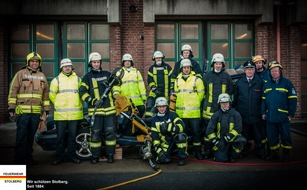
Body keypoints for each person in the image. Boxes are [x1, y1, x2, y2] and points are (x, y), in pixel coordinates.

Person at [8, 52, 51, 165]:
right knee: (21, 136)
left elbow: (46, 95)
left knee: (30, 137)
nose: (34, 63)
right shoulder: (20, 74)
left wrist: (46, 110)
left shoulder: (42, 76)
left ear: (39, 63)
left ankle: (28, 158)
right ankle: (19, 159)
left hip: (36, 113)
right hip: (22, 113)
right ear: (28, 62)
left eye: (36, 61)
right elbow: (13, 90)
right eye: (32, 61)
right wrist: (11, 108)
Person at [79, 52, 118, 164]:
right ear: (91, 64)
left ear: (101, 63)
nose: (96, 64)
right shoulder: (87, 77)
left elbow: (115, 86)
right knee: (95, 133)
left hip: (109, 110)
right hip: (95, 112)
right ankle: (95, 156)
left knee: (110, 133)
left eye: (98, 62)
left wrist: (116, 94)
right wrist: (92, 101)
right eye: (94, 62)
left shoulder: (107, 74)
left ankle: (110, 155)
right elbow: (82, 92)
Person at [49, 58, 84, 165]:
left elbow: (82, 95)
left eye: (69, 66)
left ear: (72, 67)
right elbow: (51, 95)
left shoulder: (78, 80)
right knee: (60, 138)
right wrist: (59, 104)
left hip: (75, 115)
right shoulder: (56, 80)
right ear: (61, 68)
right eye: (65, 66)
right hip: (61, 115)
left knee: (72, 138)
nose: (67, 68)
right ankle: (58, 157)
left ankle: (72, 157)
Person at [261, 61, 297, 162]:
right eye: (272, 71)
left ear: (280, 71)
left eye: (276, 71)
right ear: (270, 72)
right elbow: (263, 100)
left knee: (285, 136)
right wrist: (263, 112)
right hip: (270, 116)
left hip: (283, 116)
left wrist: (291, 114)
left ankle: (286, 154)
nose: (274, 73)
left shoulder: (287, 83)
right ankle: (274, 154)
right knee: (271, 136)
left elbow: (293, 99)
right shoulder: (267, 85)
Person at [202, 53, 233, 159]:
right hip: (209, 110)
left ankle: (220, 149)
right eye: (216, 63)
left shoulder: (227, 77)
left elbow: (230, 91)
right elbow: (203, 93)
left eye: (220, 64)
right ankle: (207, 151)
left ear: (222, 65)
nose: (218, 65)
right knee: (208, 132)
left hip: (222, 110)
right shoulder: (207, 76)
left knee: (220, 131)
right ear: (213, 64)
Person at [233, 60, 266, 159]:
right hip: (243, 115)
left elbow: (263, 99)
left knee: (258, 135)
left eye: (251, 69)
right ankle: (244, 151)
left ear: (254, 70)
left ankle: (260, 150)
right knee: (244, 135)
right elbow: (236, 98)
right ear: (245, 70)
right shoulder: (239, 83)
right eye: (247, 69)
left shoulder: (260, 82)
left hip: (256, 114)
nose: (249, 71)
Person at [173, 58, 204, 160]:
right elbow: (175, 96)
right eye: (184, 68)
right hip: (181, 114)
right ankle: (183, 154)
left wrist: (194, 104)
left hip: (193, 113)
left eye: (188, 67)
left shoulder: (197, 80)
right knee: (183, 135)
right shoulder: (177, 80)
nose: (186, 69)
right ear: (181, 69)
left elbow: (201, 95)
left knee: (196, 135)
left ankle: (197, 152)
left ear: (190, 68)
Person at [205, 93, 246, 163]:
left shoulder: (236, 114)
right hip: (220, 141)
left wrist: (227, 138)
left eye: (226, 102)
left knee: (240, 140)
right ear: (219, 103)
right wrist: (216, 142)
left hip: (232, 139)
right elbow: (209, 130)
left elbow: (238, 128)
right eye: (223, 103)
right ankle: (221, 154)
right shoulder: (216, 115)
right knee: (220, 159)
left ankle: (233, 156)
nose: (225, 105)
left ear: (230, 103)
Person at [151, 97, 188, 166]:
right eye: (159, 107)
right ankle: (169, 154)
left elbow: (182, 126)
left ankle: (182, 158)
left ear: (166, 106)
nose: (161, 108)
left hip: (175, 139)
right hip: (165, 143)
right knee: (163, 160)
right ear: (156, 107)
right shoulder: (154, 119)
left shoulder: (172, 115)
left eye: (163, 106)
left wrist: (171, 127)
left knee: (181, 136)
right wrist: (159, 151)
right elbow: (154, 137)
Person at [114, 53, 147, 118]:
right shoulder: (119, 72)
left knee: (139, 118)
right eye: (125, 61)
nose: (127, 62)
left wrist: (143, 97)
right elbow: (116, 85)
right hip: (125, 102)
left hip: (137, 101)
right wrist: (116, 94)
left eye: (129, 61)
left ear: (131, 62)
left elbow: (141, 85)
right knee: (127, 122)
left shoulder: (136, 72)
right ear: (123, 62)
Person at [145, 50, 173, 119]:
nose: (159, 59)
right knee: (149, 104)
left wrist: (171, 89)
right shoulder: (151, 68)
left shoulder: (168, 67)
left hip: (166, 93)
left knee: (167, 108)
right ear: (154, 59)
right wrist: (154, 89)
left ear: (162, 58)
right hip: (155, 92)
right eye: (157, 58)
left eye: (160, 58)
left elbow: (171, 79)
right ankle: (148, 121)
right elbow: (150, 80)